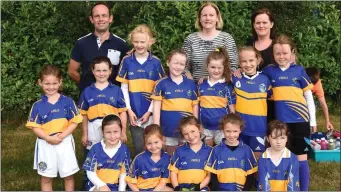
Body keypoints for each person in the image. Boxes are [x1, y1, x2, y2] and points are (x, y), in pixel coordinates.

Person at [262, 34, 316, 191]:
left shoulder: (299, 71)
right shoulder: (268, 71)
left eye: (285, 53)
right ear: (273, 54)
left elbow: (309, 97)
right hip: (279, 123)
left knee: (301, 158)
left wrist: (312, 121)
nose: (281, 56)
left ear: (292, 52)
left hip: (300, 121)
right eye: (277, 53)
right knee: (283, 157)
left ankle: (303, 189)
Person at [26, 64, 83, 191]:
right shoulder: (37, 106)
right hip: (45, 144)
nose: (51, 87)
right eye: (47, 84)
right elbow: (34, 127)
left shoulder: (68, 102)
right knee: (46, 178)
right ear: (40, 83)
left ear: (60, 82)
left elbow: (75, 122)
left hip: (65, 142)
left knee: (68, 175)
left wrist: (62, 136)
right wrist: (48, 138)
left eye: (54, 83)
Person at [116, 24, 165, 156]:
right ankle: (138, 174)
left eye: (142, 42)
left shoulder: (156, 62)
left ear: (150, 42)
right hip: (134, 113)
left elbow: (159, 91)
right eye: (136, 42)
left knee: (154, 146)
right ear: (132, 41)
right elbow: (124, 88)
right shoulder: (127, 61)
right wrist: (129, 110)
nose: (139, 45)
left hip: (151, 112)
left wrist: (149, 112)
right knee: (139, 147)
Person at [68, 2, 129, 93]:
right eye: (97, 16)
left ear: (110, 18)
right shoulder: (81, 43)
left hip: (113, 99)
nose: (101, 19)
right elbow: (72, 71)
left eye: (104, 15)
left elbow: (127, 74)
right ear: (91, 19)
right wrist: (86, 87)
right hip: (89, 100)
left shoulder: (121, 44)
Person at [151, 49, 199, 155]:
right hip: (168, 130)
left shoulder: (191, 84)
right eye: (175, 63)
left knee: (186, 155)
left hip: (187, 131)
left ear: (185, 66)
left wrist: (196, 126)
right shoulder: (160, 84)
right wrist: (156, 129)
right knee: (171, 157)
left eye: (182, 64)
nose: (178, 66)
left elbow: (195, 107)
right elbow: (156, 109)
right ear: (168, 62)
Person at [78, 56, 128, 151]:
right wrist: (85, 134)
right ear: (93, 71)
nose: (101, 74)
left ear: (110, 71)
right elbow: (83, 115)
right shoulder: (87, 91)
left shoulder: (116, 90)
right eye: (98, 70)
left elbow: (122, 112)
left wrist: (123, 131)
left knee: (112, 151)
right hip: (93, 127)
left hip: (112, 126)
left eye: (104, 70)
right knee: (93, 151)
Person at [183, 2, 238, 83]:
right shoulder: (191, 39)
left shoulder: (226, 38)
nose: (207, 18)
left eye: (211, 15)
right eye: (204, 15)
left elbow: (233, 66)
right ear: (199, 18)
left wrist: (214, 80)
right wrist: (191, 83)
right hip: (196, 87)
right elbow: (184, 66)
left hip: (221, 87)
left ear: (217, 18)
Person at [232, 46, 272, 159]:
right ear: (239, 63)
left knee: (257, 158)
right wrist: (204, 79)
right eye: (244, 61)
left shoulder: (265, 79)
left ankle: (256, 177)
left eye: (251, 60)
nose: (248, 64)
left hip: (258, 128)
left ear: (258, 60)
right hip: (240, 128)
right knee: (240, 157)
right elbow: (217, 77)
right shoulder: (235, 78)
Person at [204, 113, 258, 191]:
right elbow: (213, 175)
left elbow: (250, 175)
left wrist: (245, 190)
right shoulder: (216, 150)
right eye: (228, 131)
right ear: (223, 130)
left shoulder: (247, 150)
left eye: (235, 131)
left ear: (240, 130)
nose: (231, 135)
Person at [82, 114, 131, 191]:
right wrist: (101, 185)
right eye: (108, 132)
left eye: (115, 131)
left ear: (121, 130)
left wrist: (121, 190)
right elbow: (90, 172)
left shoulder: (124, 150)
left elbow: (123, 174)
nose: (112, 136)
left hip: (115, 186)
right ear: (102, 132)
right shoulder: (95, 149)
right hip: (97, 185)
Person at [198, 47, 235, 146]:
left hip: (222, 129)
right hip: (205, 128)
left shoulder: (227, 86)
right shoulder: (201, 85)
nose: (216, 70)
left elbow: (232, 109)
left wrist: (232, 126)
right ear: (207, 67)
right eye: (213, 67)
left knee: (222, 153)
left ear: (224, 68)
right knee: (208, 153)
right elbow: (198, 106)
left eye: (219, 68)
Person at [169, 116, 212, 191]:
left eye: (193, 131)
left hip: (201, 188)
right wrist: (177, 188)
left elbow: (209, 175)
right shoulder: (179, 150)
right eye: (186, 134)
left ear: (200, 129)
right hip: (182, 189)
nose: (190, 136)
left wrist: (197, 188)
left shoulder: (210, 151)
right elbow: (173, 172)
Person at [125, 124, 172, 191]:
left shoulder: (167, 158)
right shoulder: (139, 159)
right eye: (149, 143)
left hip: (157, 189)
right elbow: (129, 181)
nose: (153, 146)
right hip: (141, 189)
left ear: (162, 140)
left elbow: (163, 181)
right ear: (145, 144)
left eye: (156, 142)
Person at [257, 120, 300, 191]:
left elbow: (293, 185)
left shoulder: (293, 158)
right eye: (274, 138)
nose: (279, 142)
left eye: (282, 138)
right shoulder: (262, 159)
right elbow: (263, 184)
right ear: (268, 138)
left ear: (287, 138)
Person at [305, 67, 334, 132]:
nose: (311, 86)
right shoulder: (298, 78)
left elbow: (323, 103)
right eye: (310, 83)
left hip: (308, 102)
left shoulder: (317, 82)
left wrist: (327, 121)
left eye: (313, 84)